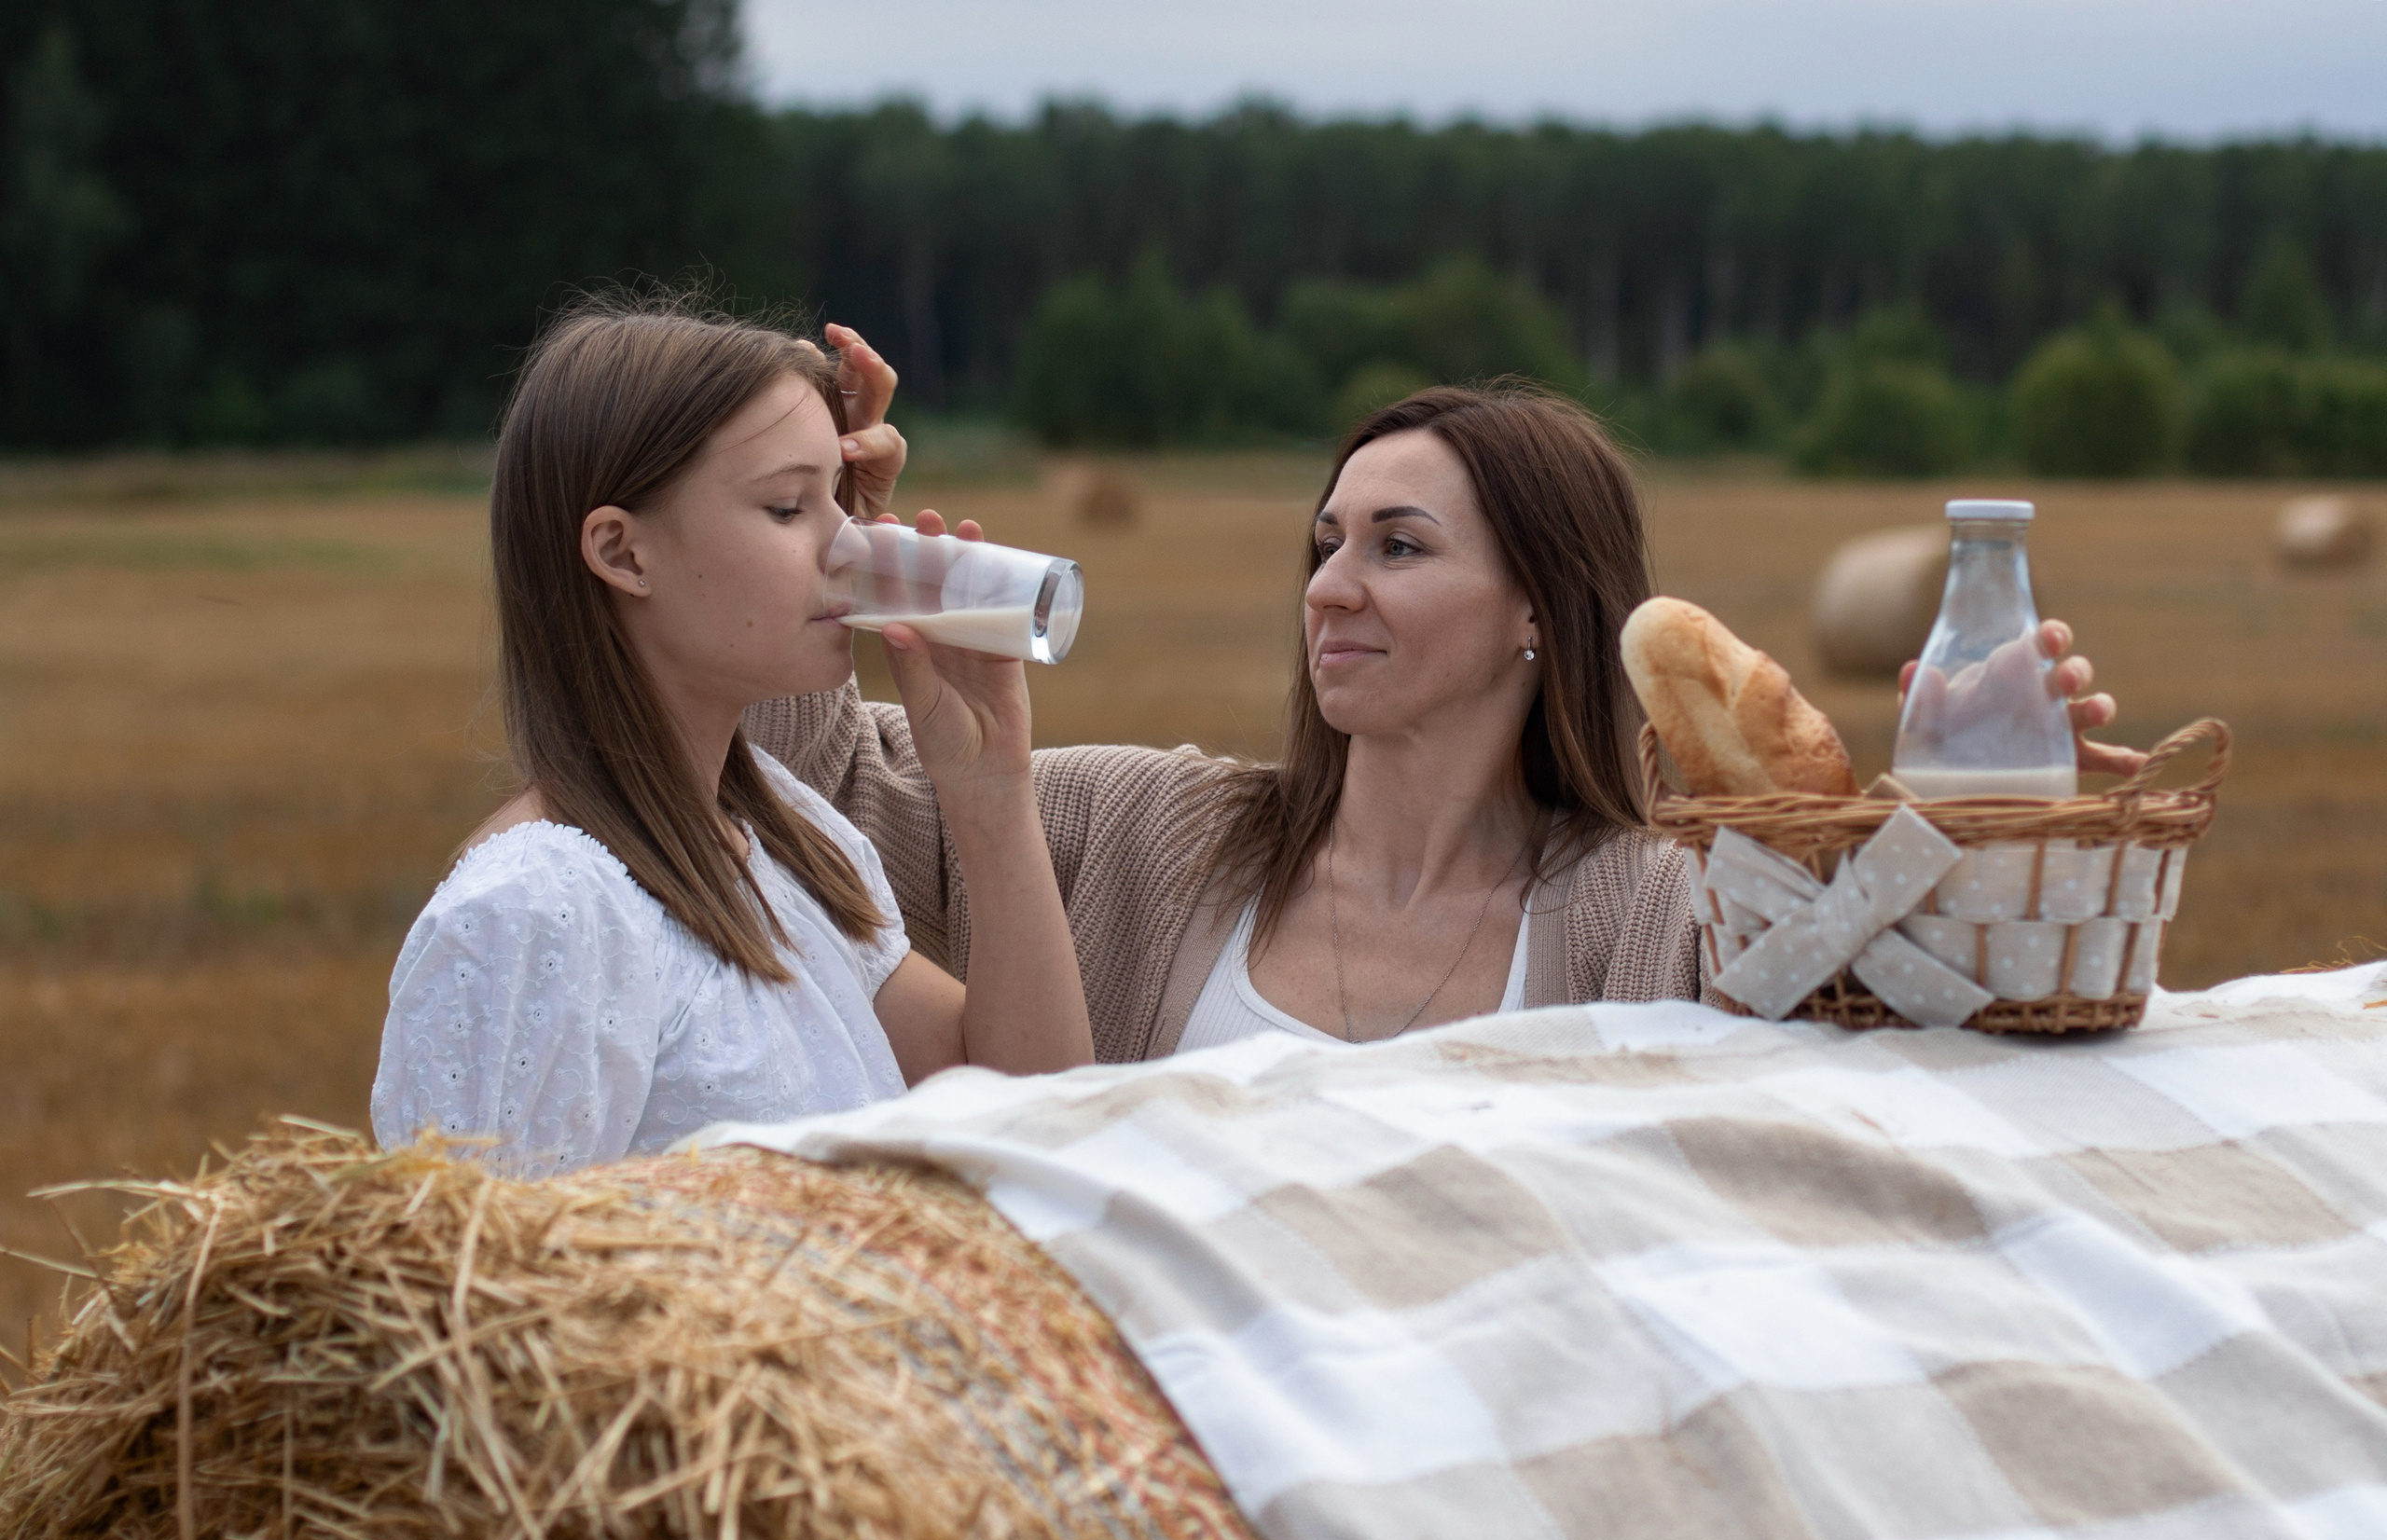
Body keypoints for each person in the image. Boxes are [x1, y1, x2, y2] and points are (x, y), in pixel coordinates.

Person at [752, 379, 2142, 1061]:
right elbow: (795, 776)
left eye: (1399, 548)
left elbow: (1943, 1031)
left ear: (1539, 606)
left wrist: (2024, 830)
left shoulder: (1658, 911)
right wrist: (822, 533)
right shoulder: (1149, 830)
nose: (1331, 589)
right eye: (1326, 542)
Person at [371, 297, 1093, 1176]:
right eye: (789, 507)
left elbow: (1035, 1127)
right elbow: (465, 1293)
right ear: (623, 554)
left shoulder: (786, 839)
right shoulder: (535, 914)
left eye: (840, 495)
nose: (852, 541)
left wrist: (991, 792)